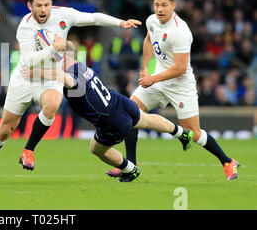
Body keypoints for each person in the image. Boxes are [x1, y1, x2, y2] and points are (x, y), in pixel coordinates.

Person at [0, 0, 141, 184]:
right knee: (5, 130)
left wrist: (120, 23)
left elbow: (94, 17)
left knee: (52, 104)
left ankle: (28, 151)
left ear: (51, 4)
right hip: (26, 77)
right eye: (38, 6)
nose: (43, 10)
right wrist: (54, 48)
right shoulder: (25, 27)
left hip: (51, 76)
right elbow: (28, 61)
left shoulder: (64, 15)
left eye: (46, 5)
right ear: (29, 6)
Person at [107, 0, 239, 180]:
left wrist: (152, 78)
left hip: (180, 85)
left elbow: (180, 68)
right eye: (157, 5)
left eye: (164, 5)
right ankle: (131, 167)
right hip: (159, 78)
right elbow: (147, 40)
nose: (159, 9)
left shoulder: (180, 31)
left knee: (193, 134)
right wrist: (145, 68)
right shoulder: (152, 20)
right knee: (130, 112)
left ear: (173, 6)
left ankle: (227, 161)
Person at [21, 41, 194, 182]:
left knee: (96, 149)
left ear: (64, 56)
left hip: (111, 121)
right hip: (120, 102)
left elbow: (65, 79)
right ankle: (181, 133)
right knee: (147, 119)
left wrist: (37, 71)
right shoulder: (82, 66)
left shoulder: (71, 73)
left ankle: (130, 170)